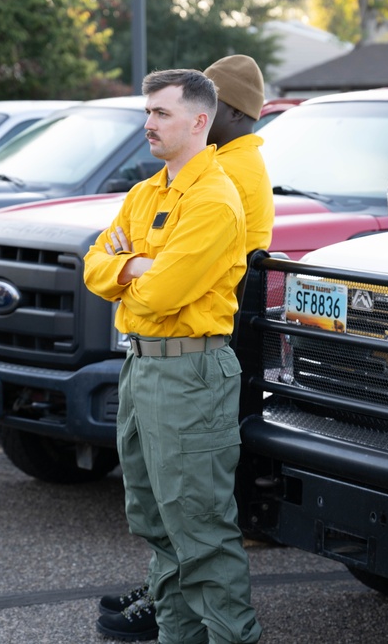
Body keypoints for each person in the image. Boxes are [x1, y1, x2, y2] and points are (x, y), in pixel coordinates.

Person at [95, 53, 273, 641]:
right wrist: (133, 269)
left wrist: (130, 272)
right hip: (141, 367)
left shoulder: (216, 200)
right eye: (147, 111)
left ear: (201, 121)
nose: (148, 123)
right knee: (155, 521)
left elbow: (165, 293)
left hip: (190, 373)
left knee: (199, 529)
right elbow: (94, 266)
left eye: (162, 113)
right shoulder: (146, 191)